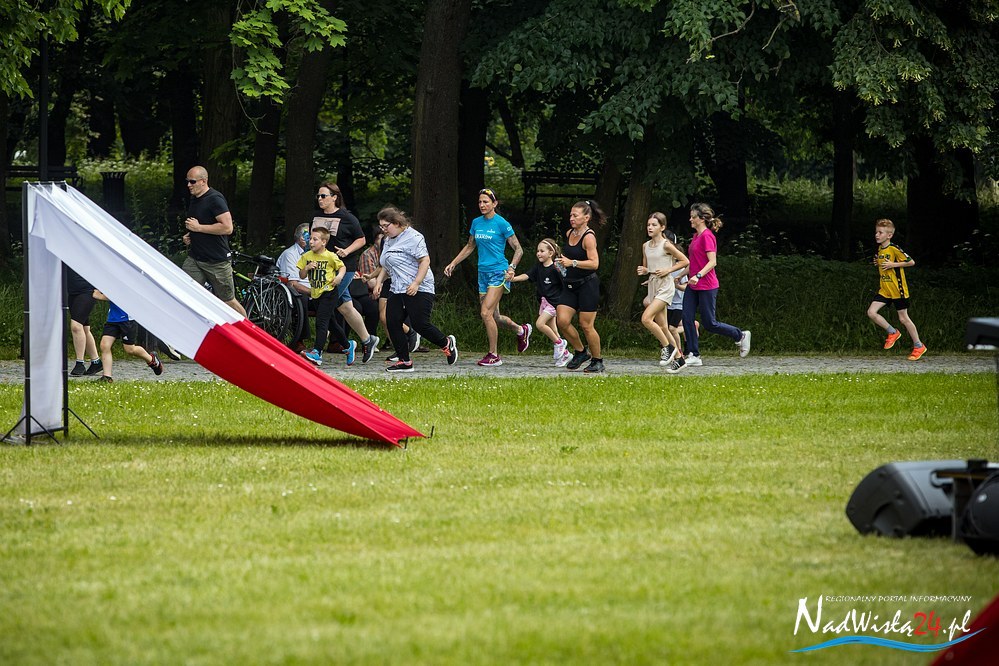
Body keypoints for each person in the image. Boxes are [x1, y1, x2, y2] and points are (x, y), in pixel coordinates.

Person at [444, 188, 532, 367]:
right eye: (480, 202)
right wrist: (454, 263)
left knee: (485, 313)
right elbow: (470, 246)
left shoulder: (502, 223)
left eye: (486, 202)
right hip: (482, 273)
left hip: (498, 272)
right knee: (495, 317)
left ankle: (494, 355)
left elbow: (518, 249)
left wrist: (512, 267)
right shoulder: (476, 222)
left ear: (494, 203)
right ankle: (520, 330)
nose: (482, 205)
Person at [665, 202, 750, 374]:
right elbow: (695, 262)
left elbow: (712, 262)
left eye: (693, 217)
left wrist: (697, 276)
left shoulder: (707, 236)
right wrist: (682, 275)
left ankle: (740, 335)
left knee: (710, 323)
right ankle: (694, 354)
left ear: (701, 219)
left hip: (707, 285)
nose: (690, 219)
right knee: (687, 318)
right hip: (693, 285)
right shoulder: (696, 236)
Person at [371, 206, 458, 373]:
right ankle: (404, 361)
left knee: (420, 324)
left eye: (386, 226)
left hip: (419, 286)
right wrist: (379, 282)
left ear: (397, 223)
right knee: (392, 321)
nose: (383, 230)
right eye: (381, 226)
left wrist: (416, 283)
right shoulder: (388, 239)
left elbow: (425, 261)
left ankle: (446, 343)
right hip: (397, 287)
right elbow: (386, 264)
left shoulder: (414, 237)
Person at [307, 183, 379, 363]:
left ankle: (317, 350)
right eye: (318, 196)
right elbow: (313, 241)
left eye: (323, 196)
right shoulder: (315, 216)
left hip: (343, 268)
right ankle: (366, 341)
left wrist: (346, 251)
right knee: (345, 307)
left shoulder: (347, 217)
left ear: (334, 197)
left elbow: (361, 239)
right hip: (323, 270)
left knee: (324, 306)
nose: (320, 199)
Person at [180, 166, 246, 316]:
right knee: (184, 292)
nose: (189, 185)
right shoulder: (194, 198)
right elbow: (202, 222)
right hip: (195, 258)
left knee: (227, 300)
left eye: (192, 181)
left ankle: (248, 329)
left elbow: (227, 228)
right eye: (187, 181)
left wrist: (198, 228)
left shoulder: (215, 199)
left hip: (216, 261)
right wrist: (190, 235)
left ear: (203, 181)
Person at [555, 200, 606, 373]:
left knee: (586, 325)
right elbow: (567, 258)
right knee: (562, 320)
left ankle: (597, 360)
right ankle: (581, 351)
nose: (571, 218)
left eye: (575, 215)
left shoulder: (589, 237)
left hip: (587, 285)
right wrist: (561, 265)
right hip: (570, 284)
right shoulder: (569, 233)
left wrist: (573, 263)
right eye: (570, 215)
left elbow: (594, 263)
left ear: (586, 218)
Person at [867, 218, 926, 360]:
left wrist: (893, 264)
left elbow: (911, 262)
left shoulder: (894, 248)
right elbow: (884, 264)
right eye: (876, 232)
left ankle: (918, 346)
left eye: (880, 232)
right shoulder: (880, 249)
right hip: (885, 289)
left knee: (903, 318)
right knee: (871, 312)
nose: (877, 235)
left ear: (889, 235)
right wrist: (878, 262)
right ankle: (892, 332)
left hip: (897, 290)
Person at [636, 213, 689, 366]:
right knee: (664, 327)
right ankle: (679, 359)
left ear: (662, 227)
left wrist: (668, 270)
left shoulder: (666, 245)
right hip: (653, 285)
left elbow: (685, 261)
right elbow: (648, 267)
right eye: (648, 225)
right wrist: (645, 271)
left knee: (646, 319)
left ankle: (668, 347)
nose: (650, 227)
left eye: (654, 225)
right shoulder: (645, 246)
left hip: (666, 286)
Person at [510, 238, 571, 366]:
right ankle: (565, 354)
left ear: (551, 253)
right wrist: (513, 279)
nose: (538, 253)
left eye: (542, 251)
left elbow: (566, 282)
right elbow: (527, 275)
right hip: (544, 302)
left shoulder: (556, 268)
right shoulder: (538, 267)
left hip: (554, 303)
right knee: (553, 330)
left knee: (540, 324)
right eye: (537, 251)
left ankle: (560, 343)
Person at [91, 289, 163, 383]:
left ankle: (152, 359)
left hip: (127, 320)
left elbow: (118, 294)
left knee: (130, 349)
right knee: (104, 345)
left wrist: (100, 296)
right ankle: (107, 377)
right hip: (112, 319)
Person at [277, 223, 312, 351]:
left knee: (338, 298)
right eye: (310, 236)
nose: (313, 240)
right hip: (296, 292)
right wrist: (313, 292)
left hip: (315, 291)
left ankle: (336, 341)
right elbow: (292, 283)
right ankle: (298, 340)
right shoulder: (290, 254)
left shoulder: (316, 254)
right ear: (301, 238)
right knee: (301, 298)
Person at [66, 266, 102, 376]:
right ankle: (96, 362)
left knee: (76, 326)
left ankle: (80, 363)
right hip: (73, 291)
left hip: (88, 291)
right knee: (84, 328)